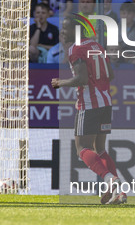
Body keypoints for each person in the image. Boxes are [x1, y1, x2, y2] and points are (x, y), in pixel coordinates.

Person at [51, 17, 126, 205]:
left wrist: (60, 83)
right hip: (106, 101)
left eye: (65, 28)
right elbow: (111, 74)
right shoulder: (96, 45)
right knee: (99, 149)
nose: (62, 31)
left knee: (81, 148)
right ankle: (119, 192)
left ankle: (111, 179)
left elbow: (82, 79)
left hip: (89, 103)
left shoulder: (75, 49)